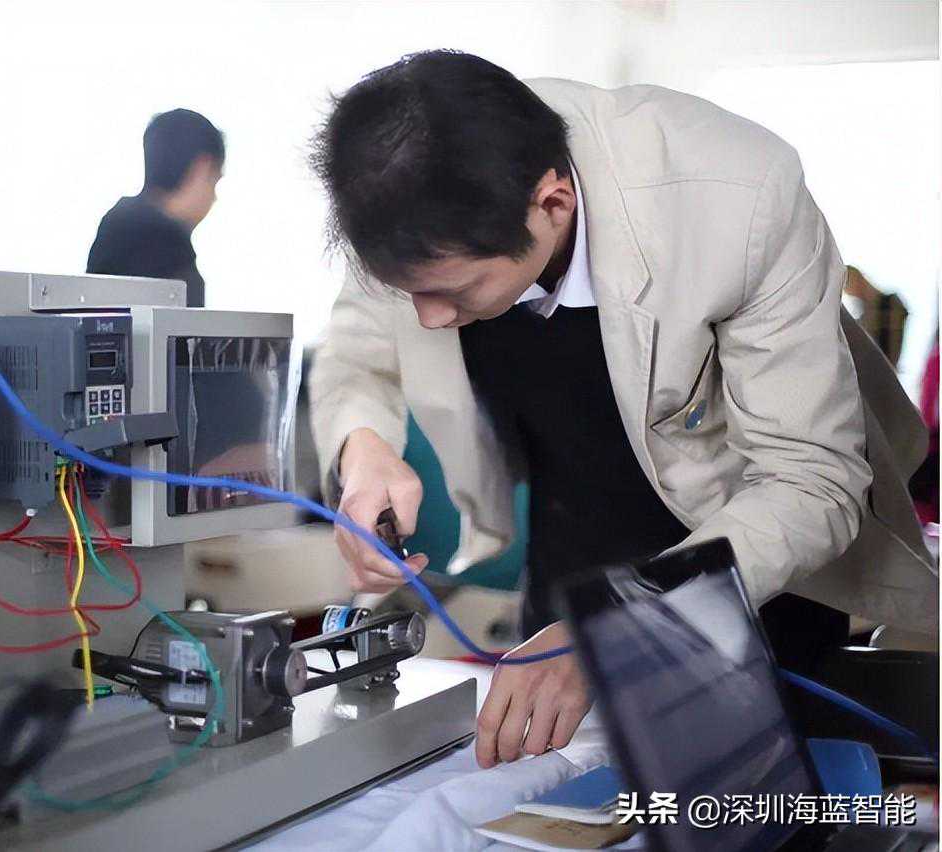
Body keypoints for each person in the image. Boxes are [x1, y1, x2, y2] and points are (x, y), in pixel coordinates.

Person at [308, 51, 936, 770]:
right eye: (408, 292)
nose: (425, 319)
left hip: (746, 570)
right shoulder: (406, 194)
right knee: (548, 795)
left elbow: (809, 480)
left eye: (453, 291)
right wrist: (364, 449)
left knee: (741, 793)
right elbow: (356, 352)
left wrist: (620, 628)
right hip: (566, 567)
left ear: (552, 205)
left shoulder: (737, 198)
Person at [86, 108, 224, 307]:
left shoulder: (116, 224)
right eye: (215, 181)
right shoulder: (169, 245)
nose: (214, 197)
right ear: (202, 168)